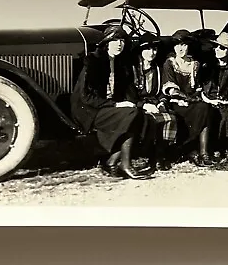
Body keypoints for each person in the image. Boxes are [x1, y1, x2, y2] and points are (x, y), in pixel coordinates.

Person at [70, 25, 150, 180]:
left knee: (140, 115)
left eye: (122, 41)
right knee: (131, 114)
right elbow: (86, 98)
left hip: (107, 109)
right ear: (106, 43)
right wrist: (116, 105)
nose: (119, 44)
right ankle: (125, 165)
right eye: (115, 40)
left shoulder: (121, 64)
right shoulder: (93, 62)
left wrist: (142, 104)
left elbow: (130, 94)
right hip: (89, 110)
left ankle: (112, 161)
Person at [161, 29, 214, 167]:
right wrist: (186, 99)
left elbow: (197, 87)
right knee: (193, 109)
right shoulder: (170, 63)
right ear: (173, 47)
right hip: (175, 101)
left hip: (191, 101)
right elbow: (171, 89)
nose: (180, 48)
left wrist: (196, 97)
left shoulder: (194, 64)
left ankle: (204, 153)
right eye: (177, 45)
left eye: (184, 45)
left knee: (204, 107)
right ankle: (189, 149)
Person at [132, 32, 178, 171]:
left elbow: (161, 91)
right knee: (149, 120)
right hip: (137, 103)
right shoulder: (133, 68)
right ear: (141, 50)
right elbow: (129, 94)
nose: (151, 53)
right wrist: (143, 105)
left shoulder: (157, 68)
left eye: (154, 49)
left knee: (170, 118)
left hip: (153, 102)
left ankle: (159, 155)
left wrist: (161, 102)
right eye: (147, 49)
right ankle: (143, 155)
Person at [201, 32, 228, 163]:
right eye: (217, 47)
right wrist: (209, 99)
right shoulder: (207, 67)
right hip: (209, 99)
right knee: (212, 114)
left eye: (222, 48)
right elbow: (201, 87)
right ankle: (213, 149)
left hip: (226, 100)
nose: (218, 50)